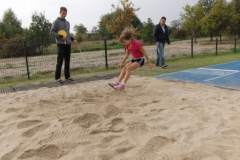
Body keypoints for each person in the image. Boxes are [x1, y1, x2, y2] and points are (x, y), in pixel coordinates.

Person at [50, 6, 74, 84]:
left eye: (65, 13)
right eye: (63, 13)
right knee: (59, 61)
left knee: (67, 61)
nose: (64, 14)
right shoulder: (56, 22)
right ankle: (57, 78)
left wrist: (73, 39)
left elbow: (68, 33)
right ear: (60, 13)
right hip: (60, 44)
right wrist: (60, 36)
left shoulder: (67, 23)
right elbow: (52, 32)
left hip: (68, 44)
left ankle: (67, 77)